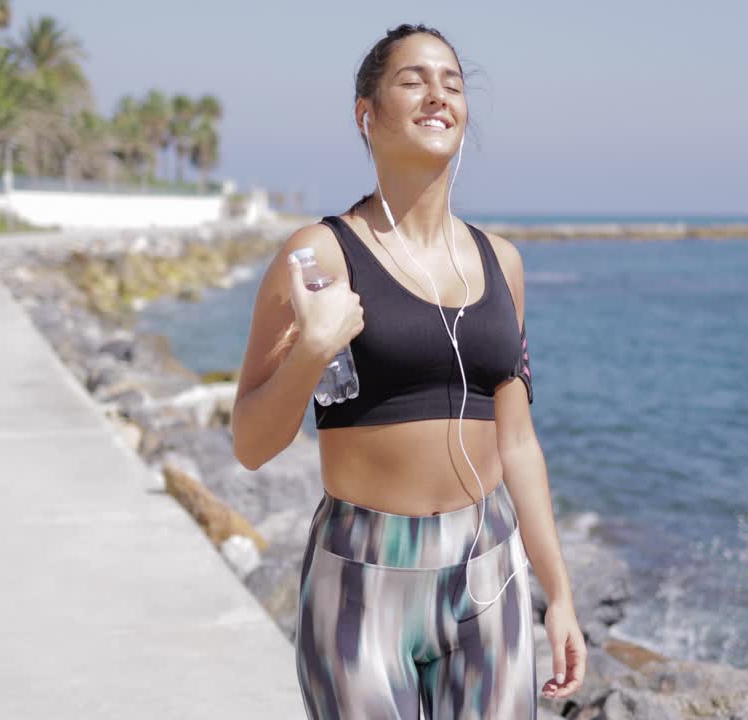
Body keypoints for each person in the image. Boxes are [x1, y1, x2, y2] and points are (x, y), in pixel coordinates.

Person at [231, 24, 586, 719]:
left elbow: (517, 445)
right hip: (361, 577)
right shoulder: (319, 256)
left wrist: (561, 595)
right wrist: (310, 350)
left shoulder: (501, 264)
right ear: (366, 113)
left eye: (452, 83)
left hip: (487, 572)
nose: (438, 94)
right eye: (413, 79)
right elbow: (250, 444)